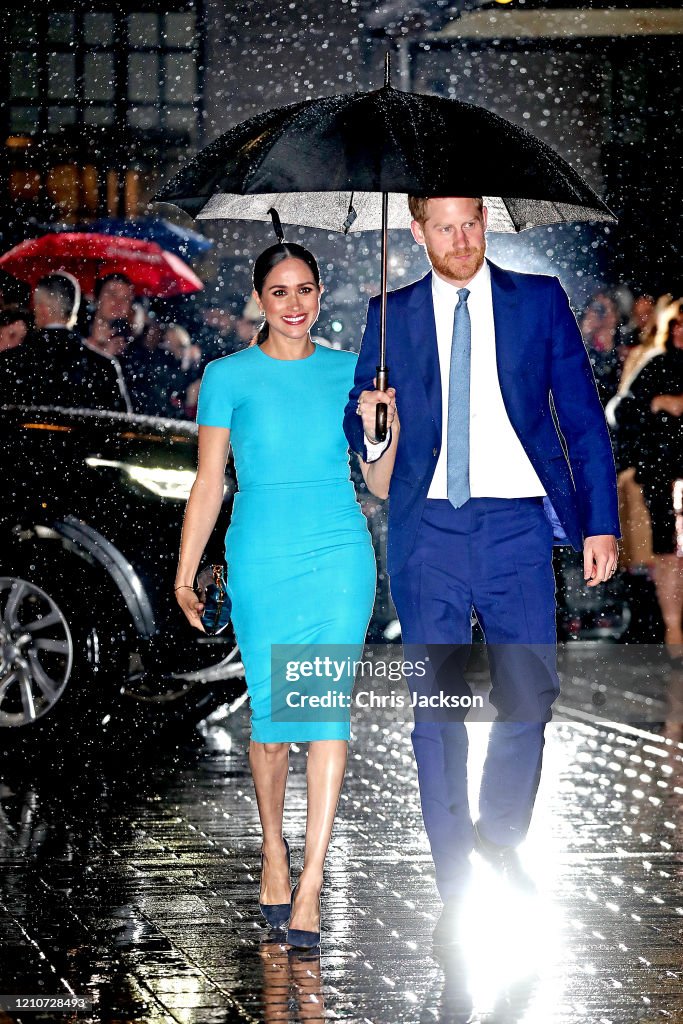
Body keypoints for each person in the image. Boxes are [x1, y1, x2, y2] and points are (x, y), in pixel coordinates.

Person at [343, 196, 620, 947]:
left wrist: (600, 522)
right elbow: (359, 419)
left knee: (529, 691)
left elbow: (582, 418)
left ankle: (498, 835)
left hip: (516, 527)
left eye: (471, 223)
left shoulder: (536, 300)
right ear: (417, 232)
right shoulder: (389, 312)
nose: (461, 239)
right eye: (445, 227)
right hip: (426, 531)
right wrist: (372, 424)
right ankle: (454, 878)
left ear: (485, 223)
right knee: (435, 713)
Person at [175, 242, 376, 948]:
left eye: (307, 289)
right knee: (271, 723)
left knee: (323, 713)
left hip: (338, 556)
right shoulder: (227, 376)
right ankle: (272, 848)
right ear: (259, 299)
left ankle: (314, 877)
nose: (295, 304)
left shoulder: (353, 374)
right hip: (259, 554)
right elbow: (208, 482)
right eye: (280, 291)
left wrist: (378, 434)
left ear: (321, 296)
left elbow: (378, 485)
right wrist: (184, 571)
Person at [609, 300, 683, 677]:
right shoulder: (658, 364)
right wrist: (658, 403)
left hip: (664, 470)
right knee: (667, 554)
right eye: (679, 324)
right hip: (663, 473)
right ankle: (673, 633)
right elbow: (623, 409)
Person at [1, 272, 131, 412]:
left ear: (42, 308)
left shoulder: (12, 361)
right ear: (73, 307)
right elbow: (123, 425)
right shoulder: (103, 366)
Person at [86, 273, 136, 356]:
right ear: (97, 299)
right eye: (113, 294)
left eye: (125, 298)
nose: (119, 302)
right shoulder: (76, 337)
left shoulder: (132, 350)